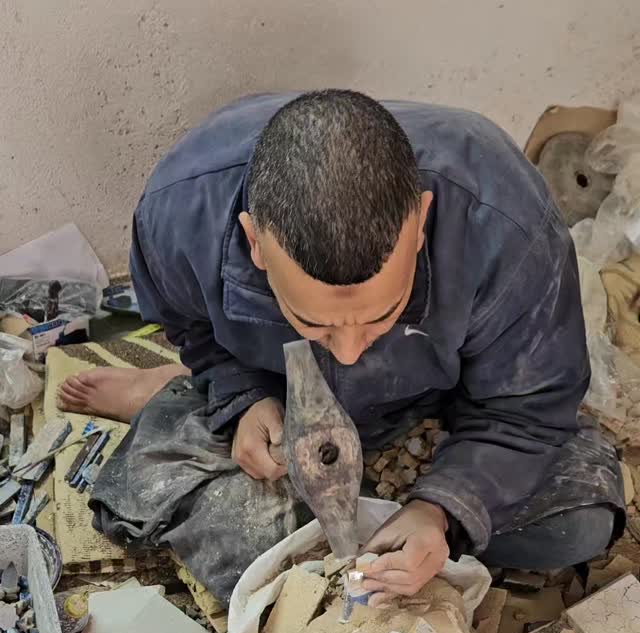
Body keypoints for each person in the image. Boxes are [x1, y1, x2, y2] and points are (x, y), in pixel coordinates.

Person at [65, 90, 624, 602]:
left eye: (382, 315)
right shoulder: (181, 211)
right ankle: (186, 392)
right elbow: (189, 325)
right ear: (255, 241)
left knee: (578, 525)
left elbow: (528, 410)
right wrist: (240, 392)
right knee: (193, 521)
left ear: (421, 219)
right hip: (282, 387)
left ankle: (197, 399)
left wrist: (441, 507)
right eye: (317, 323)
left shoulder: (506, 222)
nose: (352, 351)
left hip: (439, 392)